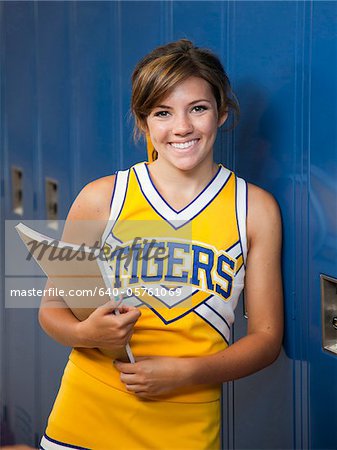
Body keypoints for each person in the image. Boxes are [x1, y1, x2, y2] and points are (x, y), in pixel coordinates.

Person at [38, 39, 283, 450]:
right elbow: (51, 310)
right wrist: (86, 330)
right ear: (144, 121)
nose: (182, 127)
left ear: (221, 112)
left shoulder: (253, 209)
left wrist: (186, 373)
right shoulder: (102, 199)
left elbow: (266, 339)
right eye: (163, 112)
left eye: (198, 108)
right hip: (84, 419)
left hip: (186, 425)